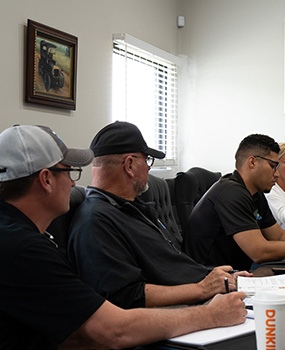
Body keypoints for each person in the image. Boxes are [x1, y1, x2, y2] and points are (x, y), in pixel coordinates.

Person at [0, 125, 246, 349]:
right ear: (45, 180)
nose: (74, 184)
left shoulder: (24, 235)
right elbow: (110, 329)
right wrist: (211, 313)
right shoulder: (24, 247)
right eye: (70, 172)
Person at [67, 121, 249, 309]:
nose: (148, 168)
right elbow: (126, 296)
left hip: (203, 295)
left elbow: (170, 266)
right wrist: (202, 288)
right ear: (129, 165)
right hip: (182, 313)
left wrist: (218, 276)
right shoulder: (96, 221)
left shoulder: (132, 207)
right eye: (146, 160)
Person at [184, 134, 285, 271]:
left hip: (237, 273)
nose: (276, 174)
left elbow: (279, 235)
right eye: (272, 166)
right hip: (207, 277)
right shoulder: (231, 193)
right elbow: (260, 252)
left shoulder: (256, 194)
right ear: (252, 162)